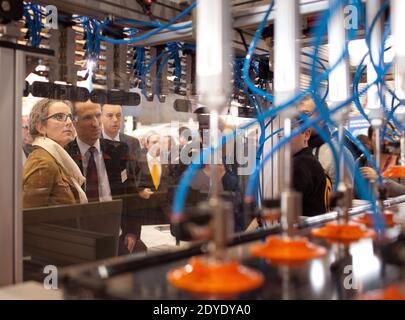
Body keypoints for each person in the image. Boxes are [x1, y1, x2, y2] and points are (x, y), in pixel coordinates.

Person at [65, 100, 141, 254]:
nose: (95, 123)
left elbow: (130, 192)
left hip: (117, 235)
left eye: (98, 116)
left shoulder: (118, 150)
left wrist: (132, 231)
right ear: (74, 122)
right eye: (87, 118)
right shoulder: (66, 154)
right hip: (82, 238)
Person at [23, 99, 87, 208]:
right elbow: (29, 217)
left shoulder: (53, 157)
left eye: (70, 117)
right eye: (59, 117)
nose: (69, 122)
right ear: (41, 127)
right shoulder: (43, 163)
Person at [290, 115, 331, 216]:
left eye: (290, 130)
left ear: (307, 134)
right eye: (280, 131)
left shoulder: (300, 165)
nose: (282, 136)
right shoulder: (310, 161)